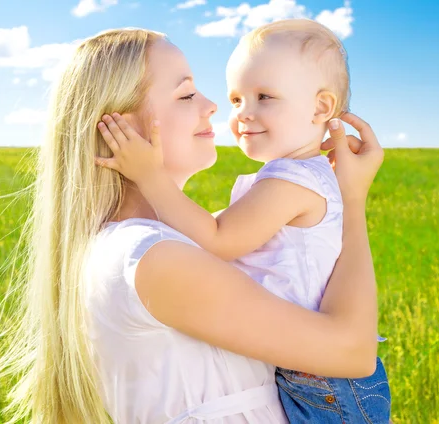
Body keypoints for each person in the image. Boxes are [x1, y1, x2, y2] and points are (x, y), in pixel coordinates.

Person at [0, 27, 384, 423]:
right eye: (186, 96)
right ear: (120, 128)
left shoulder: (144, 246)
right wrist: (352, 200)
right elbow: (355, 353)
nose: (215, 105)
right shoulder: (155, 259)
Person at [95, 19, 391, 423]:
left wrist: (151, 177)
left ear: (321, 108)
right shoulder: (151, 255)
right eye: (237, 99)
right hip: (317, 378)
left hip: (323, 384)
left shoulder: (290, 179)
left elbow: (218, 238)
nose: (233, 111)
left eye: (264, 96)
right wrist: (352, 199)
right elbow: (217, 236)